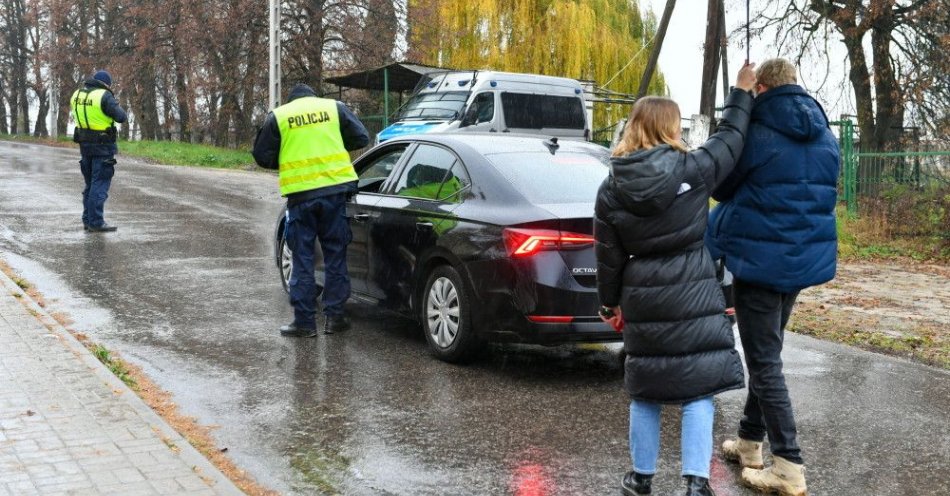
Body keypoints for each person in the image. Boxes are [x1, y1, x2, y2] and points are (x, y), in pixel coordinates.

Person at [595, 62, 756, 496]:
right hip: (693, 286)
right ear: (671, 127)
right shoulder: (694, 169)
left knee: (646, 386)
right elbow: (731, 139)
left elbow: (608, 256)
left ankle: (641, 478)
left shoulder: (611, 187)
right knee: (697, 388)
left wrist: (610, 304)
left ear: (634, 127)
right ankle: (695, 483)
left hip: (642, 291)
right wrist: (741, 92)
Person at [708, 58, 839, 496]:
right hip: (801, 261)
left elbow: (719, 184)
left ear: (761, 88)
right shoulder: (825, 135)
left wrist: (737, 102)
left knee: (764, 363)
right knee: (769, 352)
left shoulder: (756, 133)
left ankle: (788, 465)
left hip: (761, 261)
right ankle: (748, 441)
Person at [253, 83, 369, 337]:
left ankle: (305, 323)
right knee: (335, 256)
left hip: (301, 197)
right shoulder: (333, 108)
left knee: (302, 259)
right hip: (335, 194)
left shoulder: (280, 116)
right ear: (314, 97)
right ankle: (335, 318)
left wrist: (285, 156)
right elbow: (362, 137)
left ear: (292, 99)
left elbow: (261, 155)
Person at [70, 70, 127, 232]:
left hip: (84, 145)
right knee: (99, 184)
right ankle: (96, 222)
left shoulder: (77, 95)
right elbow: (121, 117)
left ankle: (88, 220)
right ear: (106, 84)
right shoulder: (104, 95)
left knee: (90, 184)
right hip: (103, 146)